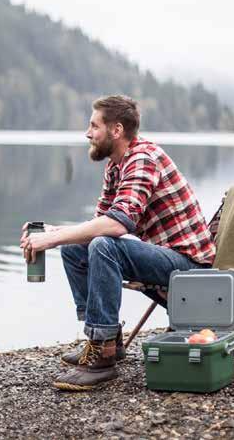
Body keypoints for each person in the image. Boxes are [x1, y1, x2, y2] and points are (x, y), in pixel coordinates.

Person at [19, 95, 216, 391]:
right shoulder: (116, 166)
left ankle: (103, 356)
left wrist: (52, 238)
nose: (87, 133)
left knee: (103, 245)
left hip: (190, 269)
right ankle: (105, 340)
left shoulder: (142, 159)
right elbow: (97, 224)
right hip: (162, 258)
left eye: (93, 125)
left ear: (117, 130)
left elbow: (116, 224)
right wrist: (54, 231)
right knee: (75, 248)